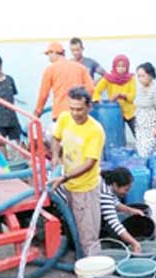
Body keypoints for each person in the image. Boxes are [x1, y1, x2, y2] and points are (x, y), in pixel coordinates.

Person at [50, 87, 106, 255]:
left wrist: (64, 177)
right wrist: (54, 156)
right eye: (72, 108)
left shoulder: (95, 130)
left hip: (85, 188)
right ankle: (81, 259)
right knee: (74, 226)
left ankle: (94, 272)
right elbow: (55, 137)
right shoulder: (64, 118)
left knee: (88, 235)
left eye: (79, 109)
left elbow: (89, 163)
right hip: (68, 184)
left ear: (89, 107)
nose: (75, 113)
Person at [34, 42, 95, 122]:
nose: (49, 58)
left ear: (54, 53)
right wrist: (82, 106)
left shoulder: (50, 69)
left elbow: (43, 94)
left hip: (60, 113)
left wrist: (37, 111)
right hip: (79, 114)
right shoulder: (80, 68)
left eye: (48, 54)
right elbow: (91, 89)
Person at [99, 167, 145, 253]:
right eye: (126, 189)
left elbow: (114, 201)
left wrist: (131, 211)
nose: (127, 193)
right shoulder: (105, 193)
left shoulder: (108, 182)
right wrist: (134, 243)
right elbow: (114, 223)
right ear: (115, 185)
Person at [93, 54, 137, 136]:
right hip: (115, 112)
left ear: (127, 67)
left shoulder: (131, 79)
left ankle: (143, 148)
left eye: (123, 66)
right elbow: (96, 91)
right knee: (118, 136)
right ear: (114, 66)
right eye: (118, 66)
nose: (121, 68)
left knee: (138, 134)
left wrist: (122, 95)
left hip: (130, 112)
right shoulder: (108, 78)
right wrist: (99, 101)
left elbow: (132, 96)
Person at [133, 63, 156, 158]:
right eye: (138, 76)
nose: (140, 79)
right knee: (141, 151)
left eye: (143, 76)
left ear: (150, 75)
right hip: (142, 126)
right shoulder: (139, 89)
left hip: (152, 125)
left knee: (151, 151)